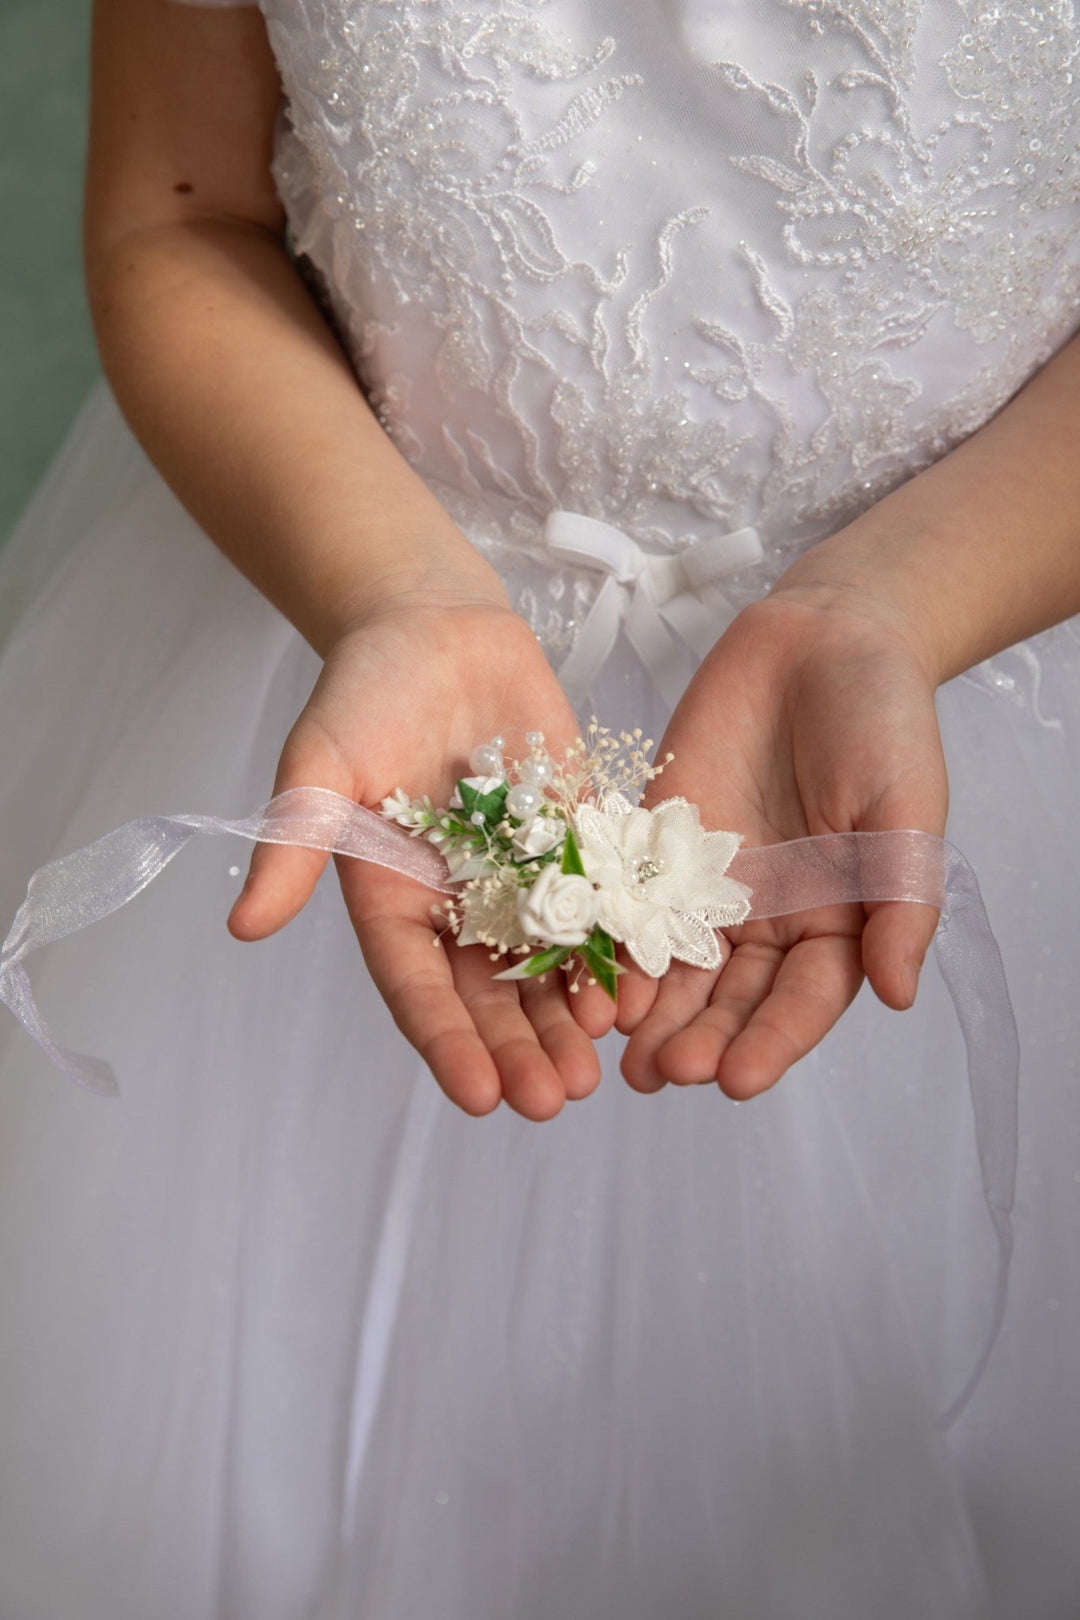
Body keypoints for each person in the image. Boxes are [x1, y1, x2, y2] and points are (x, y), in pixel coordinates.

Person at [0, 1, 1078, 1615]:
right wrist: (390, 594)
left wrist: (891, 611)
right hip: (344, 596)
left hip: (973, 651)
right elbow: (183, 208)